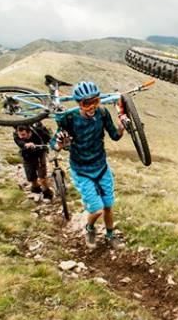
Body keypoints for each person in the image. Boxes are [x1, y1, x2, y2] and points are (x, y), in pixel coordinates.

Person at [52, 80, 128, 248]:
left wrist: (121, 128)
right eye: (87, 103)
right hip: (81, 170)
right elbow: (54, 143)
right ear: (79, 103)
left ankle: (110, 235)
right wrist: (60, 144)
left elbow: (114, 136)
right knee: (97, 209)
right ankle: (90, 227)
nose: (92, 106)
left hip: (101, 167)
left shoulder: (102, 113)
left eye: (96, 100)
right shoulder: (69, 118)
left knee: (108, 206)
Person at [14, 122, 53, 200]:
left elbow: (48, 138)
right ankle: (36, 189)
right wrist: (26, 144)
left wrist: (52, 144)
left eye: (23, 135)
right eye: (20, 134)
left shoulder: (38, 131)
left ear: (29, 132)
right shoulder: (16, 135)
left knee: (42, 177)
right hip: (27, 157)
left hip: (39, 155)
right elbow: (19, 142)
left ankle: (47, 193)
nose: (21, 136)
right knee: (31, 178)